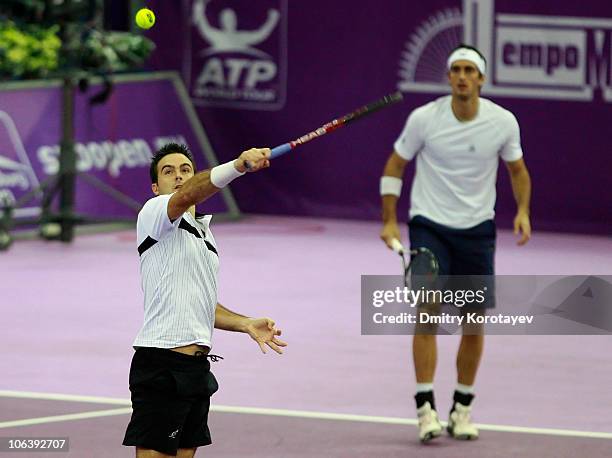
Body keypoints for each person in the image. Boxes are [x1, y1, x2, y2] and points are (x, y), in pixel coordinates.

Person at [379, 44, 532, 442]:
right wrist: (389, 220)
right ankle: (425, 408)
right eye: (456, 70)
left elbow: (517, 171)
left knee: (473, 322)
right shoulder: (424, 119)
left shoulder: (503, 122)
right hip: (429, 223)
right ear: (448, 77)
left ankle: (462, 409)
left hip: (477, 228)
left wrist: (523, 211)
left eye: (469, 70)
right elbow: (395, 164)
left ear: (481, 78)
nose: (462, 76)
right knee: (427, 311)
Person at [123, 143, 287, 457]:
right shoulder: (154, 214)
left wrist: (244, 323)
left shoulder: (204, 235)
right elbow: (188, 195)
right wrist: (238, 165)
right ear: (156, 187)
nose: (179, 177)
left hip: (196, 370)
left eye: (186, 169)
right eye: (168, 172)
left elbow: (202, 304)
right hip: (161, 364)